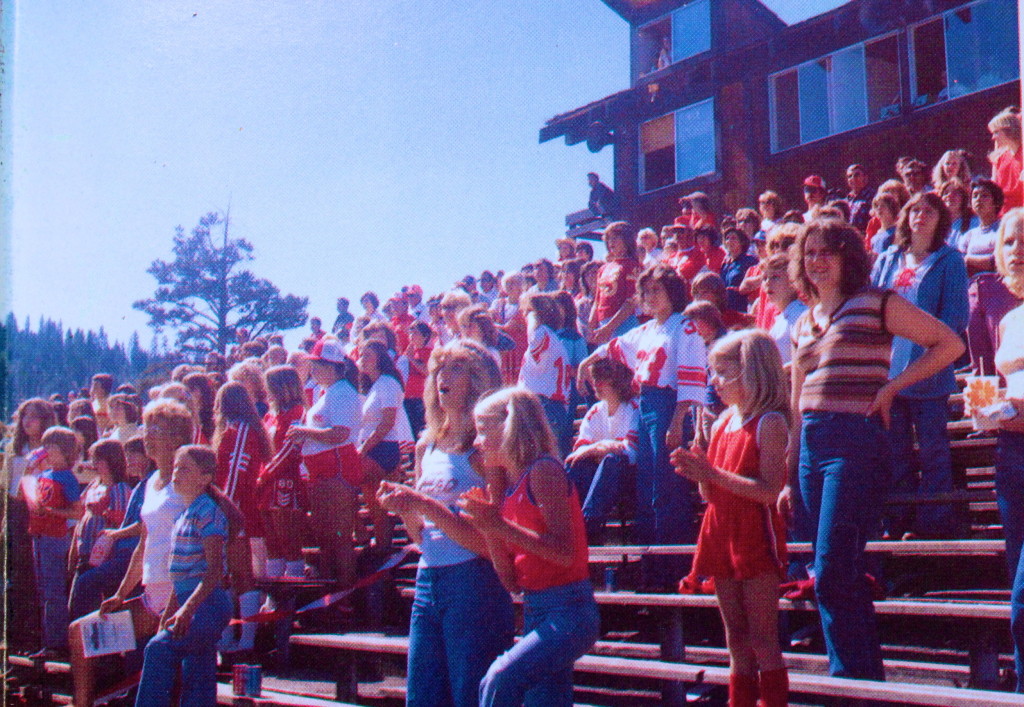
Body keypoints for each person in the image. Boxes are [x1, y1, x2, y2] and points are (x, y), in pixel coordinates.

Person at [785, 219, 963, 679]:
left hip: (854, 442)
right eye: (809, 253)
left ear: (849, 257)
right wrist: (789, 463)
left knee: (830, 570)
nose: (817, 261)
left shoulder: (876, 302)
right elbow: (796, 395)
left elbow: (948, 343)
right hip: (810, 444)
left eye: (828, 251)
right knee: (835, 574)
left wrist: (893, 387)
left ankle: (849, 682)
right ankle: (864, 681)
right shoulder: (803, 320)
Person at [376, 340, 514, 707]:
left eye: (455, 368)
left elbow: (492, 543)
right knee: (422, 696)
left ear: (478, 379)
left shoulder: (487, 449)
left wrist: (423, 503)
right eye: (439, 368)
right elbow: (423, 536)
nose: (442, 377)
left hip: (474, 580)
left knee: (470, 693)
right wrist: (405, 509)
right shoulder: (426, 446)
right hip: (428, 577)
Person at [459, 387, 600, 707]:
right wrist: (489, 528)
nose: (477, 442)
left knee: (498, 678)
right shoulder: (511, 488)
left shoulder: (544, 470)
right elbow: (511, 582)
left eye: (483, 431)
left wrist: (500, 526)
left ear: (508, 428)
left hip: (570, 610)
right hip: (538, 609)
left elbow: (565, 553)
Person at [671, 329, 790, 707]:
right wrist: (699, 469)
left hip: (754, 533)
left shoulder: (770, 422)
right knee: (735, 637)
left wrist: (712, 475)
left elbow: (769, 492)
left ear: (750, 371)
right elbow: (710, 494)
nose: (715, 383)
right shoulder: (722, 421)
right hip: (720, 532)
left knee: (762, 638)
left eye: (722, 373)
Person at [579, 264, 707, 589]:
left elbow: (690, 379)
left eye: (657, 290)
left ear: (672, 293)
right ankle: (651, 573)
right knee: (647, 489)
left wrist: (678, 419)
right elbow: (612, 348)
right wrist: (585, 362)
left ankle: (675, 573)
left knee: (668, 490)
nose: (650, 297)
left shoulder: (685, 326)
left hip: (669, 407)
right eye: (646, 291)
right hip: (646, 406)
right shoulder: (647, 330)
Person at [72, 400, 192, 707]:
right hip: (152, 599)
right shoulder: (151, 482)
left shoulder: (189, 480)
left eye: (158, 430)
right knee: (79, 634)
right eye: (147, 428)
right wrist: (121, 593)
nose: (148, 436)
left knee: (168, 679)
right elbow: (144, 543)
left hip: (184, 599)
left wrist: (180, 604)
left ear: (178, 438)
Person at [871, 192, 969, 539]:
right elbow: (871, 307)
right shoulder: (887, 258)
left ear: (940, 219)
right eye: (914, 210)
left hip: (929, 375)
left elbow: (955, 319)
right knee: (895, 456)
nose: (921, 216)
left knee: (933, 455)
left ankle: (934, 528)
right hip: (887, 376)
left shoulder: (950, 260)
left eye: (929, 211)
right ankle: (899, 525)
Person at [133, 445, 233, 707]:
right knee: (198, 670)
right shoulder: (181, 517)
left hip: (208, 604)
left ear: (205, 477)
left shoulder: (208, 512)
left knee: (158, 649)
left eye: (185, 469)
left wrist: (187, 610)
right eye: (176, 467)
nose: (176, 473)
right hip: (189, 603)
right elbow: (180, 584)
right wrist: (168, 616)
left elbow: (213, 573)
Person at [286, 337, 362, 585]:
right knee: (326, 537)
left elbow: (341, 433)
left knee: (339, 537)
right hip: (323, 471)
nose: (313, 370)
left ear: (330, 366)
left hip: (338, 469)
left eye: (316, 364)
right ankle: (332, 589)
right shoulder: (328, 392)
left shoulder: (342, 392)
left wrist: (304, 432)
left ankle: (345, 592)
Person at [990, 208, 1024, 690]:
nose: (1017, 248)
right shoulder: (1010, 319)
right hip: (1011, 455)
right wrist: (994, 409)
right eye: (1010, 241)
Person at [565, 356, 639, 543]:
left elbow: (629, 453)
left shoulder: (634, 408)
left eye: (600, 379)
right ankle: (567, 520)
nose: (595, 384)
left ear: (616, 382)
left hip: (629, 480)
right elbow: (580, 451)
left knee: (611, 462)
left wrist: (597, 447)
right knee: (578, 465)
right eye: (594, 379)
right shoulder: (596, 411)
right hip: (599, 478)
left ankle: (588, 526)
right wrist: (604, 447)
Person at [25, 425, 82, 656]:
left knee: (54, 591)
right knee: (43, 589)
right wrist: (31, 469)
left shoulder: (67, 477)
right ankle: (48, 640)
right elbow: (27, 491)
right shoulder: (43, 474)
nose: (46, 450)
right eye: (45, 445)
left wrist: (52, 512)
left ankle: (56, 643)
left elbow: (77, 512)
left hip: (54, 537)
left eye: (52, 447)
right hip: (38, 535)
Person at [357, 340, 415, 553]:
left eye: (368, 356)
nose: (362, 360)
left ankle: (383, 556)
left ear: (380, 359)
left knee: (379, 510)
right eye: (361, 355)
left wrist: (364, 449)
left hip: (381, 448)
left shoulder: (388, 383)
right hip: (375, 447)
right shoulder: (373, 385)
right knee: (377, 509)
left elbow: (387, 422)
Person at [69, 440, 132, 620]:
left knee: (95, 611)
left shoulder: (119, 489)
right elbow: (81, 518)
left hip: (103, 558)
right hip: (84, 554)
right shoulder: (93, 486)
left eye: (99, 460)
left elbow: (122, 523)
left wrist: (106, 512)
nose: (94, 464)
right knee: (77, 607)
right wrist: (73, 552)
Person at [259, 365, 309, 578]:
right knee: (272, 543)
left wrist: (263, 475)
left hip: (285, 483)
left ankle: (293, 592)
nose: (266, 392)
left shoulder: (298, 413)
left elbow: (291, 449)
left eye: (270, 387)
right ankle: (275, 596)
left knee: (288, 541)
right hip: (265, 484)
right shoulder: (271, 415)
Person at [518, 292, 572, 457]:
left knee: (542, 464)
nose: (524, 316)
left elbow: (534, 342)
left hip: (546, 407)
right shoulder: (551, 337)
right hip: (549, 407)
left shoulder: (543, 332)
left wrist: (534, 317)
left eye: (528, 312)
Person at [589, 221, 641, 344]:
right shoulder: (603, 269)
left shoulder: (632, 265)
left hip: (623, 323)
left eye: (616, 237)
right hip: (603, 326)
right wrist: (591, 325)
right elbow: (597, 300)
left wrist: (609, 328)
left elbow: (631, 302)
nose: (611, 242)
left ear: (627, 240)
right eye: (609, 238)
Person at [760, 253, 807, 366]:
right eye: (765, 278)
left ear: (793, 282)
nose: (768, 283)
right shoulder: (781, 319)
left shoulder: (801, 316)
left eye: (775, 277)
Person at [960, 178, 1004, 276]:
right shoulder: (969, 235)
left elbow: (1002, 262)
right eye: (975, 196)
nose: (978, 199)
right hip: (972, 288)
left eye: (984, 195)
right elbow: (958, 264)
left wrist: (968, 260)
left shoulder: (1004, 230)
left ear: (996, 202)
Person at [989, 107, 1022, 214]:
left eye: (996, 132)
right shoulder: (1000, 158)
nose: (993, 137)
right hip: (1003, 214)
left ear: (1009, 130)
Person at [720, 227, 758, 312]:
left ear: (741, 242)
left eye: (733, 238)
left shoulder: (750, 261)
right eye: (727, 238)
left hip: (743, 307)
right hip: (727, 308)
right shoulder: (725, 264)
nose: (729, 241)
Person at [845, 163, 874, 232]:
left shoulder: (873, 197)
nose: (853, 178)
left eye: (856, 175)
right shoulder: (847, 199)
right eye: (850, 176)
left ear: (865, 177)